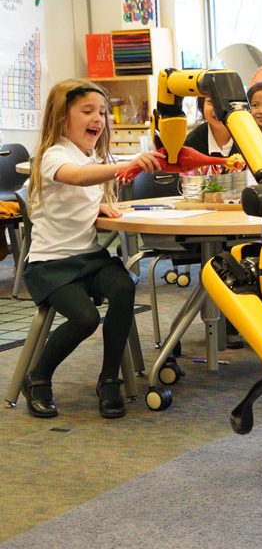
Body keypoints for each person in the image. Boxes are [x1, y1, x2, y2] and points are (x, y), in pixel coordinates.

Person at [22, 79, 163, 419]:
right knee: (85, 318)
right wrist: (127, 164)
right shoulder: (53, 154)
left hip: (88, 258)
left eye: (101, 112)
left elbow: (80, 188)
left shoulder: (93, 155)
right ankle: (37, 378)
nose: (98, 118)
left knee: (124, 286)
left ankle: (109, 380)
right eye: (87, 111)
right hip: (50, 264)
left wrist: (95, 208)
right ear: (61, 117)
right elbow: (77, 177)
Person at [184, 96, 245, 349]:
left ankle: (239, 318)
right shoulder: (194, 140)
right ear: (202, 107)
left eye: (223, 102)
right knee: (222, 253)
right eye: (210, 102)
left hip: (242, 221)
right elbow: (187, 182)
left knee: (242, 252)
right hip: (202, 222)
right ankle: (224, 321)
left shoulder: (247, 136)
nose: (217, 109)